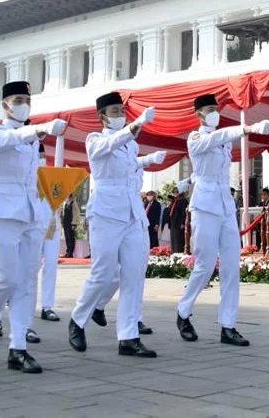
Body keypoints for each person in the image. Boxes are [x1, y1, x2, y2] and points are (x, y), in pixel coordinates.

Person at [0, 81, 65, 374]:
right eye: (17, 99)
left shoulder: (33, 138)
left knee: (26, 281)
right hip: (3, 211)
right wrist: (41, 128)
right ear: (5, 104)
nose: (23, 103)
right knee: (6, 278)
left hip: (30, 211)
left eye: (27, 99)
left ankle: (18, 347)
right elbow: (8, 141)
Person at [67, 93, 161, 358]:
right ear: (102, 116)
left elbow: (131, 170)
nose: (120, 114)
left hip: (132, 212)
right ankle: (78, 319)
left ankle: (128, 336)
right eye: (114, 110)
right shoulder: (94, 139)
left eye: (122, 110)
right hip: (107, 213)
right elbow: (108, 146)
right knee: (103, 273)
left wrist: (146, 156)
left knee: (133, 274)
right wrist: (134, 127)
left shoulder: (130, 145)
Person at [176, 93, 269, 347]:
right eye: (209, 109)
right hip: (205, 207)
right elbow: (213, 141)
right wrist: (247, 128)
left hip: (225, 207)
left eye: (216, 108)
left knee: (232, 267)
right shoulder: (195, 137)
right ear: (199, 113)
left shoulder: (224, 141)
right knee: (205, 266)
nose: (214, 112)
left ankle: (227, 325)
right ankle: (183, 311)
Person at [36, 142, 62, 323]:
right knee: (30, 266)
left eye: (42, 153)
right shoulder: (22, 173)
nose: (41, 157)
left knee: (51, 265)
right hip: (32, 224)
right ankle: (14, 296)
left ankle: (47, 306)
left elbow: (59, 193)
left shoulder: (52, 174)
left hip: (52, 224)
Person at [162, 187, 187, 253]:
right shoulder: (174, 201)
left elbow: (184, 213)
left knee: (178, 242)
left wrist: (183, 223)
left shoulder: (183, 201)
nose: (175, 193)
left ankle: (179, 255)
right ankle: (174, 254)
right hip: (172, 224)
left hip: (179, 224)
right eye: (174, 192)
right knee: (173, 241)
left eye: (177, 192)